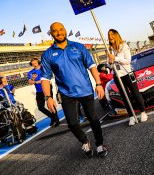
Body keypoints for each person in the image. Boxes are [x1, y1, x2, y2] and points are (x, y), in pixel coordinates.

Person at [40, 22, 107, 158]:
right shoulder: (47, 54)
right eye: (55, 31)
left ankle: (99, 144)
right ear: (51, 33)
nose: (59, 32)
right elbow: (45, 78)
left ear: (65, 30)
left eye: (61, 29)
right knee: (72, 123)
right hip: (66, 93)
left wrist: (98, 84)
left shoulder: (78, 46)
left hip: (86, 89)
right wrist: (48, 97)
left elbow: (92, 66)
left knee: (93, 119)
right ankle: (85, 141)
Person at [107, 29, 148, 126]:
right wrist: (110, 63)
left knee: (135, 93)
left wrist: (115, 58)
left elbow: (128, 60)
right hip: (117, 76)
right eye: (108, 35)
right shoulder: (109, 49)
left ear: (116, 35)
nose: (110, 36)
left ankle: (143, 112)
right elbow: (109, 65)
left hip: (127, 73)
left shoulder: (124, 46)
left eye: (112, 34)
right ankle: (131, 116)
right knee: (125, 97)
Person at [28, 58, 59, 127]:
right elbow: (30, 82)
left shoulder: (44, 68)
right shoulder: (31, 72)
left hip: (47, 88)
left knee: (50, 105)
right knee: (40, 107)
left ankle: (56, 120)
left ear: (38, 62)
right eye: (32, 64)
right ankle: (52, 117)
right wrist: (34, 79)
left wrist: (43, 81)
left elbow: (50, 76)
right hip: (39, 91)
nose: (34, 65)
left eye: (35, 63)